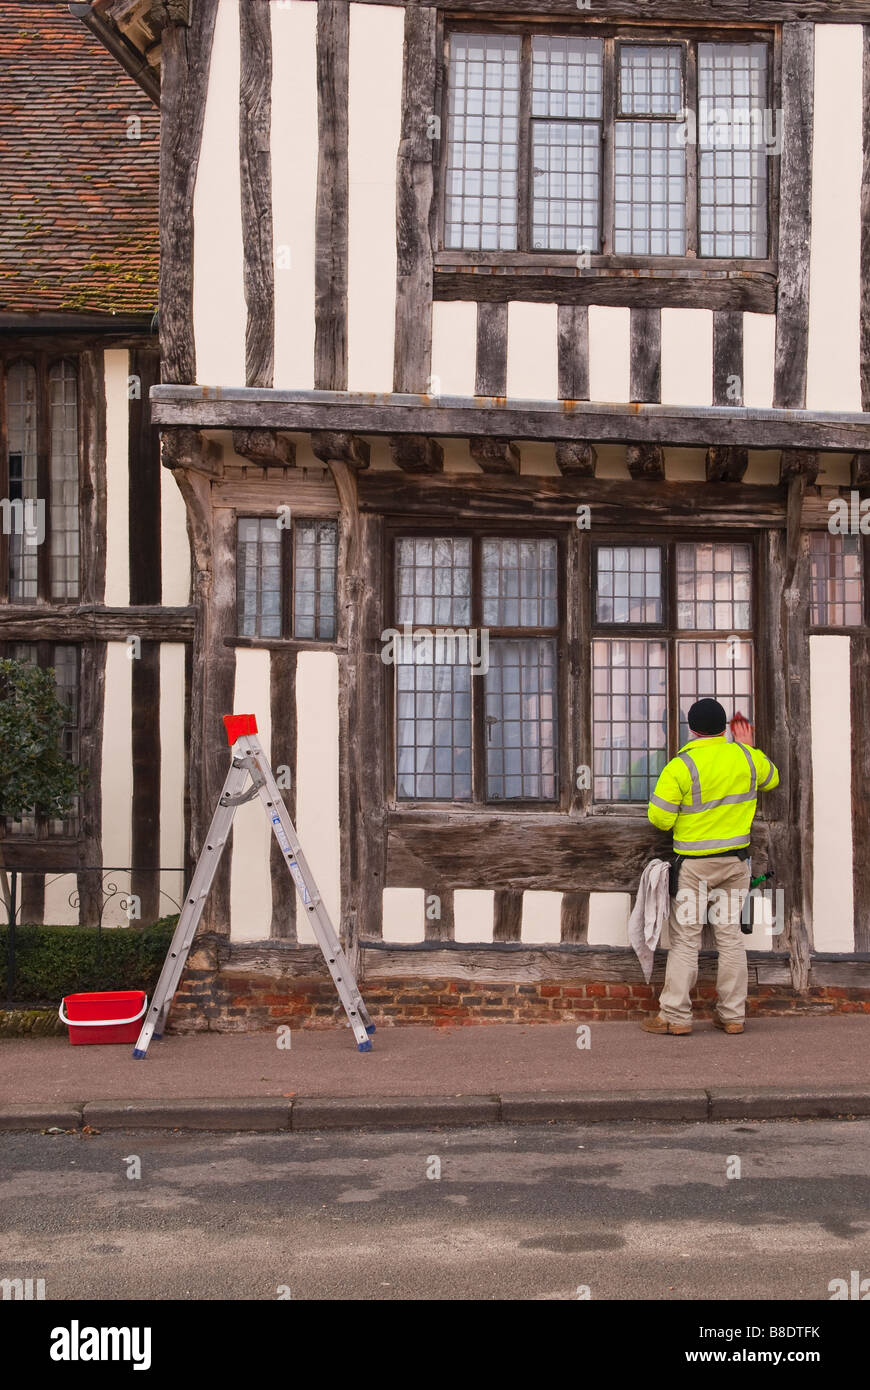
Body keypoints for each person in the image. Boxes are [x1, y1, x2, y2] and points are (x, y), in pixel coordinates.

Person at [641, 698, 779, 1036]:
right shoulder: (747, 757)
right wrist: (748, 748)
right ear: (724, 729)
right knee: (729, 938)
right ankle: (732, 1016)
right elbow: (772, 779)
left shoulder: (681, 765)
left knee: (686, 940)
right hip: (737, 864)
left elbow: (659, 818)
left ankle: (675, 1017)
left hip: (696, 867)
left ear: (691, 729)